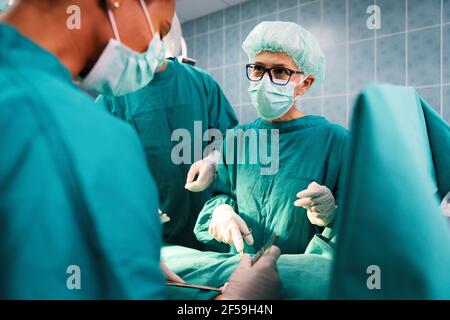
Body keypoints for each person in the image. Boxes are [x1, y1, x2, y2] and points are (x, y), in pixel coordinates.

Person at [0, 0, 280, 299]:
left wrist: (215, 160)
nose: (152, 45)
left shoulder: (30, 103)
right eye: (157, 29)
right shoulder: (76, 129)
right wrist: (234, 304)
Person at [194, 21, 349, 255]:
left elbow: (362, 222)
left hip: (299, 278)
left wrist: (332, 215)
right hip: (239, 272)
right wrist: (221, 211)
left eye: (280, 71)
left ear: (304, 83)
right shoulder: (236, 138)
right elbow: (223, 194)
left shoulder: (336, 141)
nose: (265, 79)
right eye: (258, 68)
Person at [96, 56, 238, 249]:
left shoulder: (201, 83)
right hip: (149, 236)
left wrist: (213, 160)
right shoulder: (113, 97)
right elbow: (98, 164)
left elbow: (230, 138)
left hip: (209, 227)